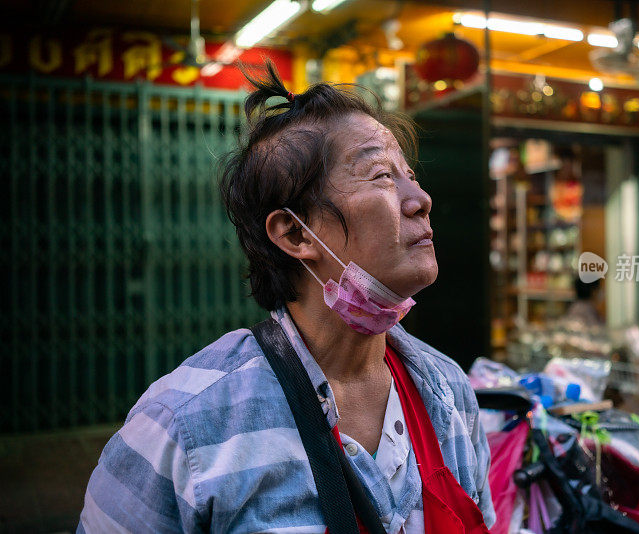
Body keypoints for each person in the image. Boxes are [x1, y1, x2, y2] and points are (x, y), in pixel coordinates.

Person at [78, 60, 495, 534]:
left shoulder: (448, 391)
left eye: (410, 174)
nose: (420, 198)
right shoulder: (186, 423)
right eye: (381, 175)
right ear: (296, 234)